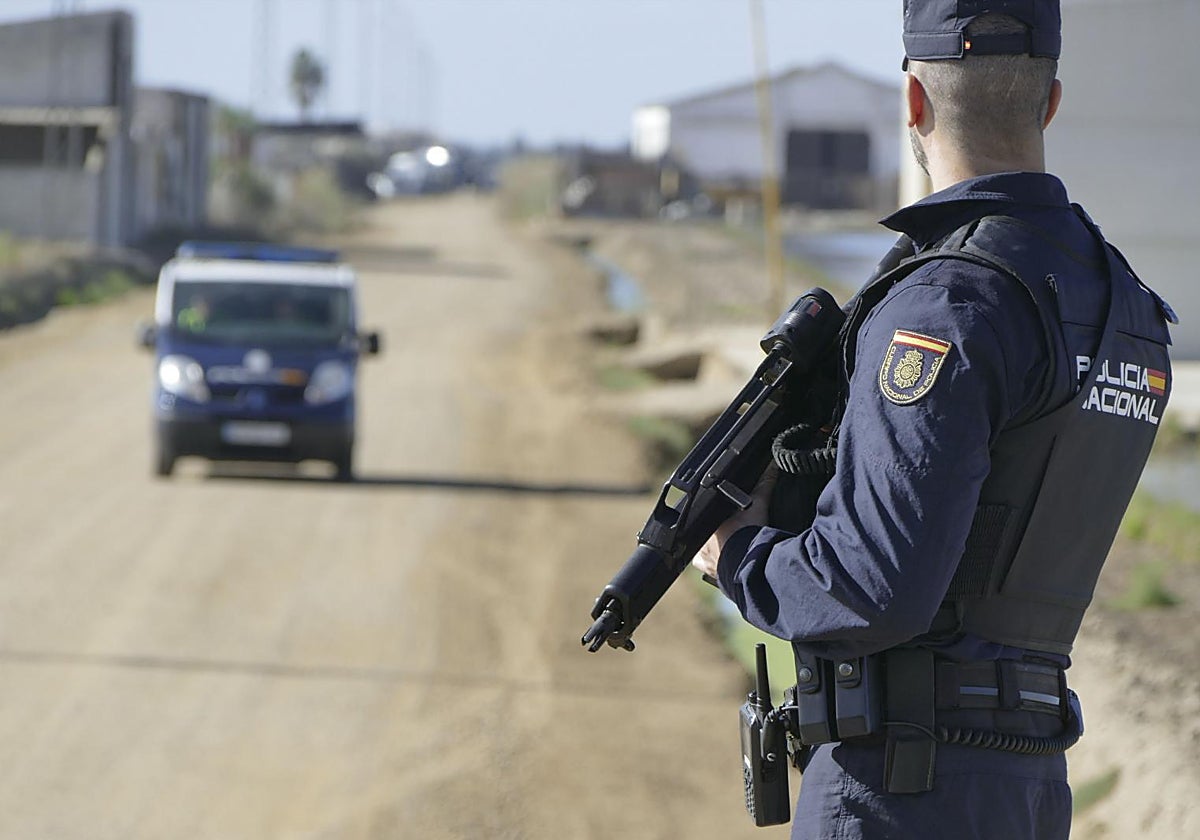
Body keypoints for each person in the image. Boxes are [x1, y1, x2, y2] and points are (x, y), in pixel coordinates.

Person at [691, 2, 1176, 838]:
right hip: (1030, 787)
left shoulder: (944, 303)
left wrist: (738, 554)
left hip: (899, 786)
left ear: (912, 102)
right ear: (1051, 101)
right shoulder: (1128, 304)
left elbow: (871, 589)